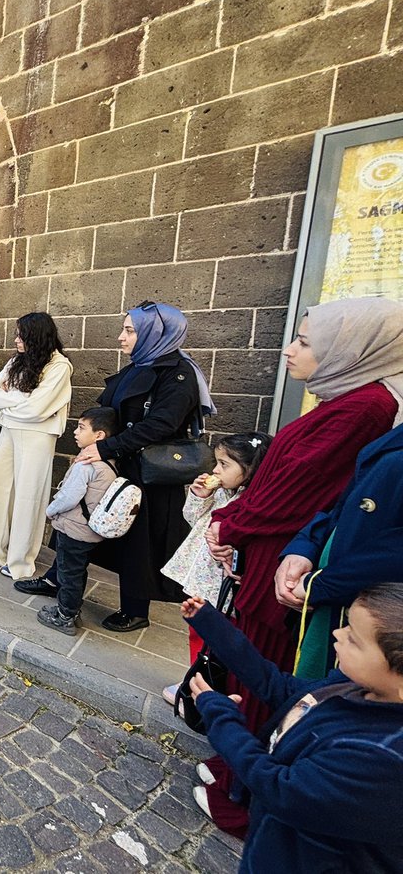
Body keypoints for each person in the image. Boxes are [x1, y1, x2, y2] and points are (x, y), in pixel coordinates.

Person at [199, 297, 403, 833]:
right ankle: (235, 765)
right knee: (254, 656)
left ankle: (244, 788)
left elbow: (300, 490)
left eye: (306, 341)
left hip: (289, 558)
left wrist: (232, 524)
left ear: (351, 350)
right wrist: (234, 523)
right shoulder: (345, 397)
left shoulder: (366, 407)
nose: (290, 349)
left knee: (267, 666)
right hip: (282, 549)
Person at [182, 584, 403, 873]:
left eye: (354, 639)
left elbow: (278, 787)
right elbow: (279, 687)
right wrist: (214, 626)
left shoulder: (381, 758)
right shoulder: (354, 687)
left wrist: (222, 718)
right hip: (275, 847)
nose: (338, 634)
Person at [63, 301, 214, 634]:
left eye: (129, 330)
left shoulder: (178, 374)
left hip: (148, 475)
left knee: (139, 543)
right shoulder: (140, 365)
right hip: (121, 464)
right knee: (84, 521)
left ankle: (135, 610)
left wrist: (105, 447)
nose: (121, 337)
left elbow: (161, 425)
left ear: (155, 333)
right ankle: (59, 580)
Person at [276, 420, 403, 678]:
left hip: (366, 619)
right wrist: (304, 547)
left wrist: (320, 584)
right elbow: (344, 507)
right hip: (331, 602)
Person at [0, 312, 72, 578]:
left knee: (28, 495)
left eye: (21, 335)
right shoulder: (16, 361)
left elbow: (38, 408)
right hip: (11, 429)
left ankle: (20, 560)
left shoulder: (59, 366)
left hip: (38, 435)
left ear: (36, 337)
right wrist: (22, 399)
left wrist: (13, 398)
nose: (16, 340)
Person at [162, 433, 272, 673]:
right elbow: (193, 519)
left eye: (224, 464)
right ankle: (195, 677)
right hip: (201, 579)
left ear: (251, 469)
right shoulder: (222, 493)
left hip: (220, 585)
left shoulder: (254, 503)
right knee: (197, 630)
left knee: (217, 637)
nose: (215, 470)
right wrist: (199, 496)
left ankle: (207, 680)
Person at [35, 407, 119, 636]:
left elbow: (69, 497)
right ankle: (72, 611)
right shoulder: (110, 463)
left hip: (74, 527)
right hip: (88, 531)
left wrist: (50, 511)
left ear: (99, 435)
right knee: (77, 571)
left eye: (81, 428)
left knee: (68, 573)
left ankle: (64, 616)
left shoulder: (86, 464)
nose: (75, 432)